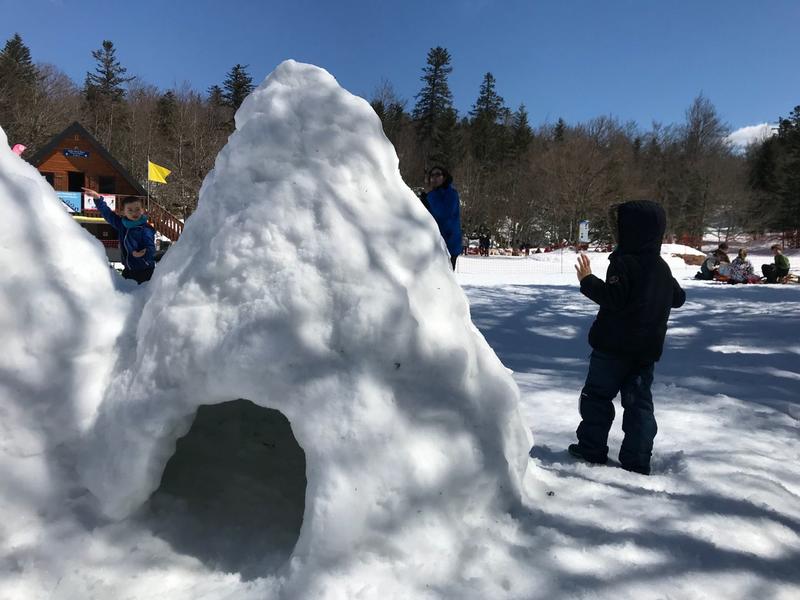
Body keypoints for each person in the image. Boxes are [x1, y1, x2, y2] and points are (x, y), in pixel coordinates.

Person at [569, 200, 686, 475]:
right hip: (645, 353)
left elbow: (614, 298)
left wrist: (587, 280)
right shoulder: (661, 267)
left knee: (597, 397)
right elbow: (678, 298)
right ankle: (637, 459)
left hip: (612, 349)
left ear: (631, 230)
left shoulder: (624, 263)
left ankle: (591, 448)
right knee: (639, 404)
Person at [83, 188, 156, 284]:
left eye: (137, 209)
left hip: (145, 271)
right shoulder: (122, 225)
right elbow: (108, 214)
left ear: (142, 210)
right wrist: (97, 198)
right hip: (128, 270)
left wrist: (144, 254)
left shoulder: (145, 229)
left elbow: (150, 247)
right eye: (130, 210)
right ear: (123, 212)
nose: (134, 213)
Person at [424, 166, 462, 270]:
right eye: (432, 175)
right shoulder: (429, 196)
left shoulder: (451, 194)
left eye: (438, 174)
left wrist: (430, 195)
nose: (434, 178)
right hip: (432, 243)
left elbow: (443, 213)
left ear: (444, 177)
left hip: (448, 244)